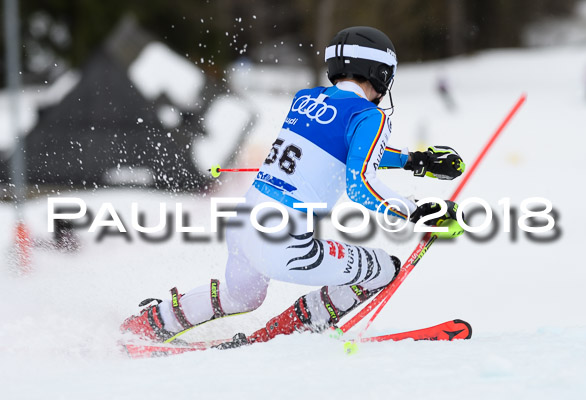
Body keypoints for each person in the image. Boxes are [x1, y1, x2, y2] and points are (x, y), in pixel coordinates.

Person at [120, 26, 465, 346]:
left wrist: (415, 161)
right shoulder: (368, 115)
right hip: (284, 245)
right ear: (379, 72)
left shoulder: (307, 99)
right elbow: (360, 182)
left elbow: (345, 150)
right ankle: (289, 334)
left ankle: (151, 322)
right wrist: (419, 212)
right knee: (383, 268)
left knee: (240, 297)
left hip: (242, 225)